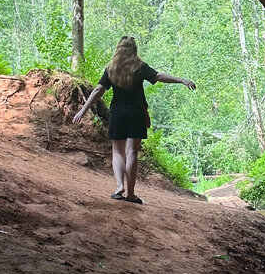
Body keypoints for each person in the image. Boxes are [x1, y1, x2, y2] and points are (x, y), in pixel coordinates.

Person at [72, 36, 195, 203]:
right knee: (131, 153)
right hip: (136, 113)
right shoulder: (140, 67)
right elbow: (158, 76)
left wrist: (83, 110)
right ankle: (130, 193)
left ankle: (118, 187)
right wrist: (181, 80)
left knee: (117, 152)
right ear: (134, 50)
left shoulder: (111, 68)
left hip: (118, 113)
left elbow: (98, 90)